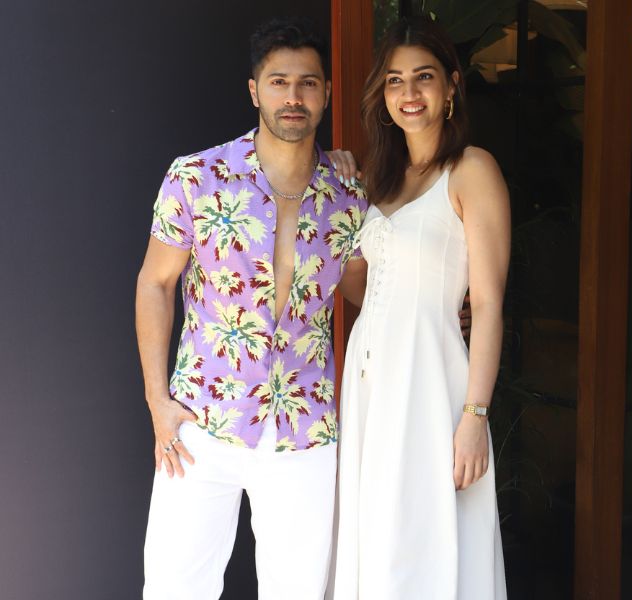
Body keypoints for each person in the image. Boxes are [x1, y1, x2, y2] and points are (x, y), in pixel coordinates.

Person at [136, 17, 367, 599]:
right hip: (202, 419)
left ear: (326, 93)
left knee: (299, 591)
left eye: (308, 83)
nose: (294, 97)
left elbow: (368, 291)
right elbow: (155, 283)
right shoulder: (197, 178)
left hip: (305, 427)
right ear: (254, 91)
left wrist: (441, 307)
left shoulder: (348, 196)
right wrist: (158, 402)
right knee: (175, 588)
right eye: (279, 82)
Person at [332, 16, 509, 599]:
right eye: (394, 80)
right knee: (378, 533)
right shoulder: (378, 179)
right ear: (382, 96)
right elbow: (364, 289)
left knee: (421, 535)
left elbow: (488, 303)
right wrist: (338, 189)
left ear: (452, 85)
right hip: (370, 383)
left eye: (424, 77)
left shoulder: (472, 169)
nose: (409, 93)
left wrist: (475, 416)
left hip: (431, 382)